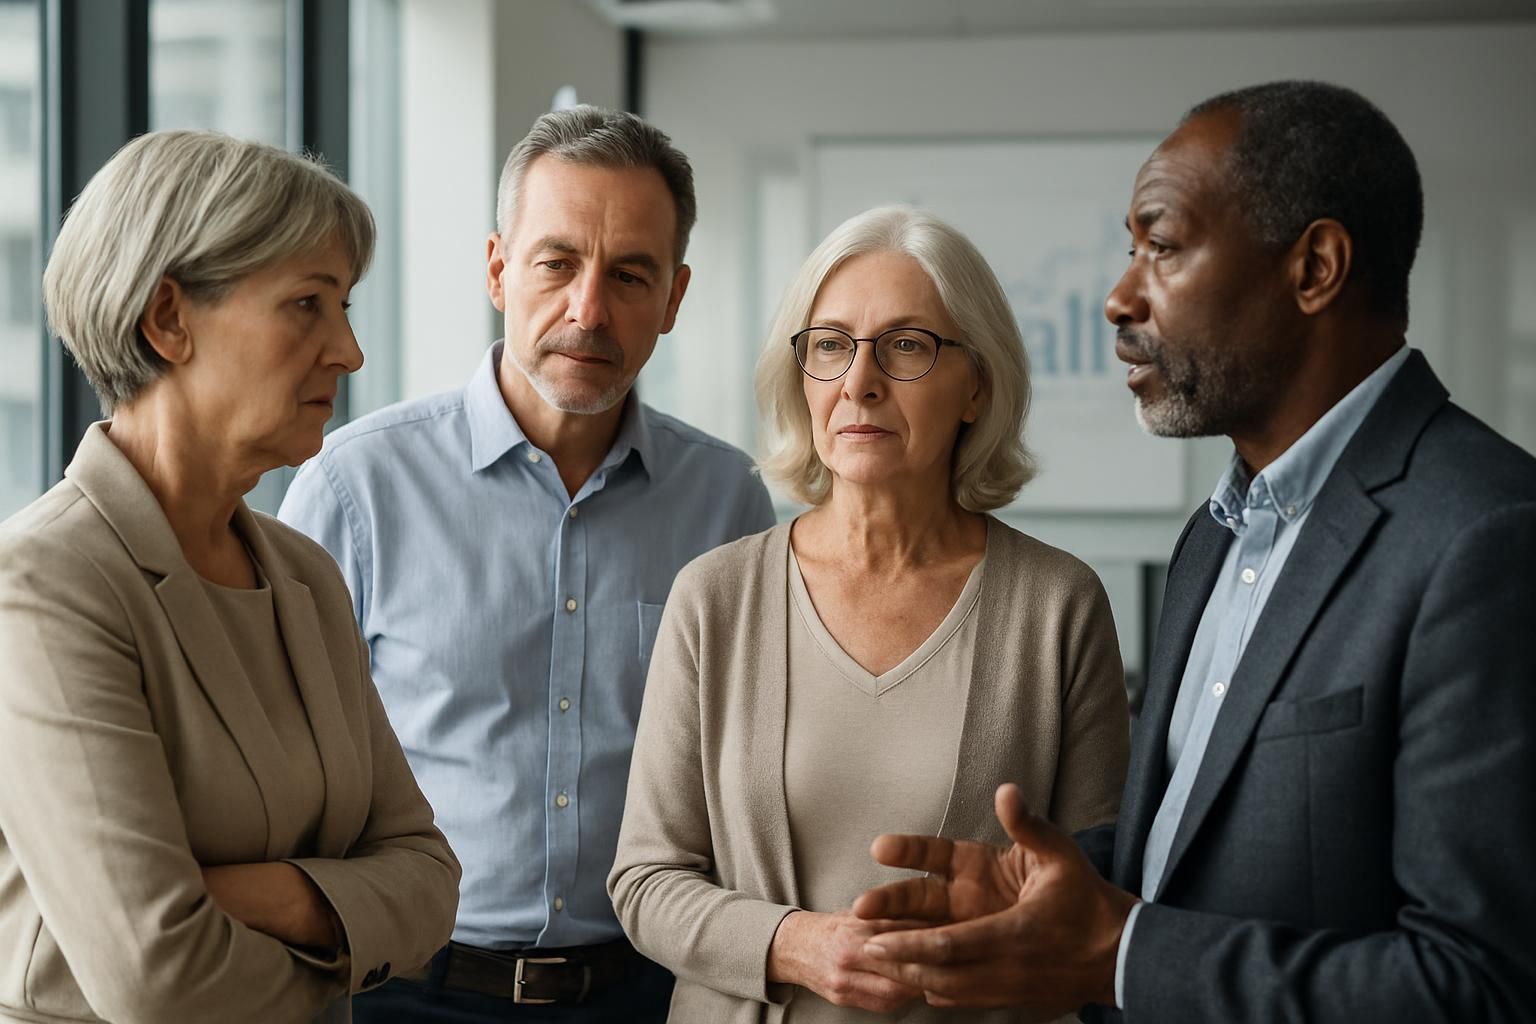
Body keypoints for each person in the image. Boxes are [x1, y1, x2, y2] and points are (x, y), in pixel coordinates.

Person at [850, 80, 1536, 1021]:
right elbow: (1190, 849)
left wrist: (1117, 956)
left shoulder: (1488, 536)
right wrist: (1049, 894)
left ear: (1315, 268)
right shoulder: (1217, 535)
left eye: (1162, 247)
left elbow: (1485, 986)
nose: (1119, 296)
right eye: (1129, 251)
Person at [278, 105, 775, 1022]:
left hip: (645, 992)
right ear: (499, 269)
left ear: (674, 298)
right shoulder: (356, 487)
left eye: (630, 274)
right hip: (403, 991)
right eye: (557, 262)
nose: (589, 310)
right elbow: (282, 768)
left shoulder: (727, 503)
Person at [608, 205, 1131, 1023]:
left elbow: (1099, 898)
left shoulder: (1058, 605)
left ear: (977, 385)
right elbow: (645, 883)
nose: (859, 382)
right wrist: (796, 945)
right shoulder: (714, 597)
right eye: (830, 346)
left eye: (907, 345)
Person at [0, 130, 461, 1024]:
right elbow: (155, 975)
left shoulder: (305, 575)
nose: (349, 351)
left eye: (344, 307)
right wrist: (345, 928)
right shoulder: (44, 584)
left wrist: (269, 897)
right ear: (168, 320)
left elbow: (429, 881)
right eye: (307, 304)